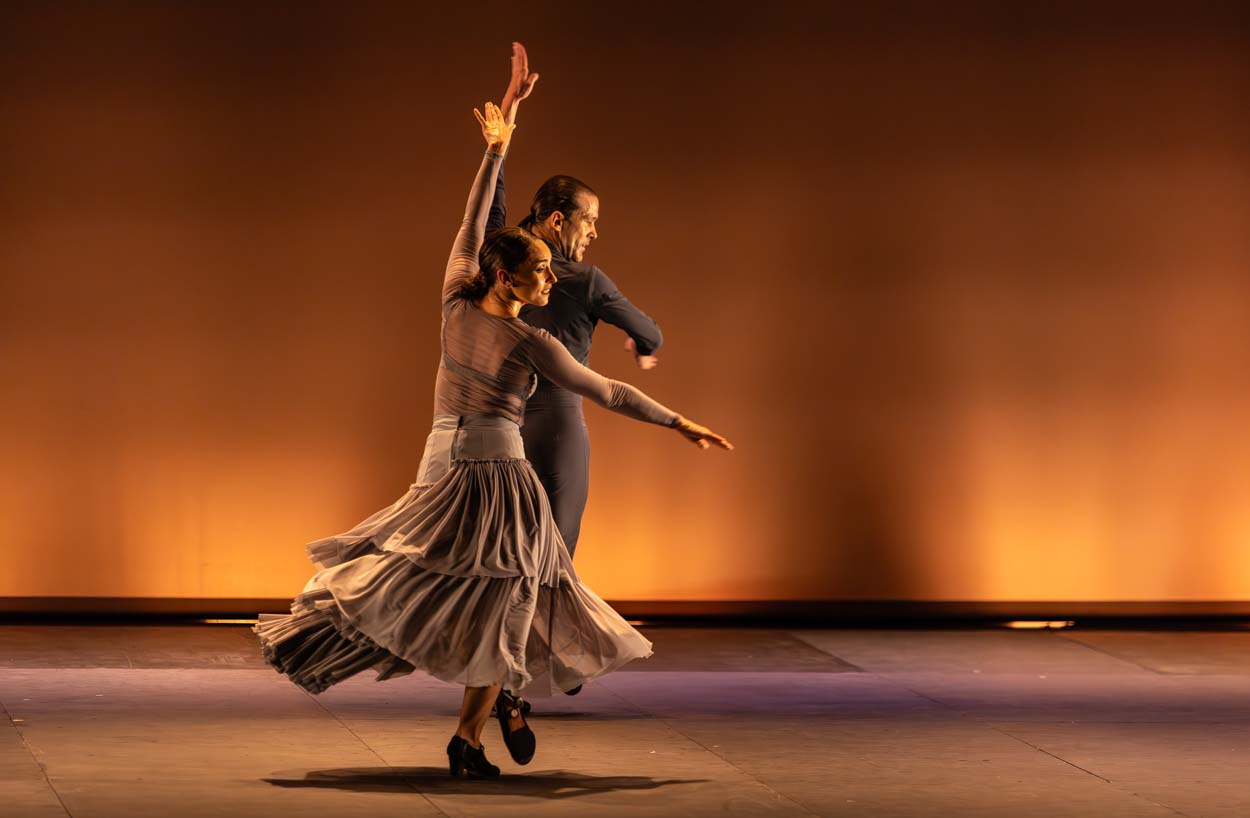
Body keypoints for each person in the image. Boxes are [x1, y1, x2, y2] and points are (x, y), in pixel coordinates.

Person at [254, 68, 732, 781]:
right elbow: (610, 391)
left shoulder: (455, 295)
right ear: (507, 277)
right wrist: (681, 421)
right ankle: (470, 720)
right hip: (496, 476)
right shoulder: (531, 342)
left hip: (440, 465)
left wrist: (497, 148)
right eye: (541, 270)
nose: (552, 278)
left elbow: (474, 223)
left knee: (420, 577)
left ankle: (457, 729)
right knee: (509, 592)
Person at [487, 44, 665, 564]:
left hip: (497, 425)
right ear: (558, 220)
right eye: (589, 220)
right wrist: (640, 345)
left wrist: (509, 108)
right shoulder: (586, 281)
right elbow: (651, 333)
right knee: (554, 553)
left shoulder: (499, 253)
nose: (594, 232)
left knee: (498, 548)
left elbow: (490, 194)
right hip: (555, 425)